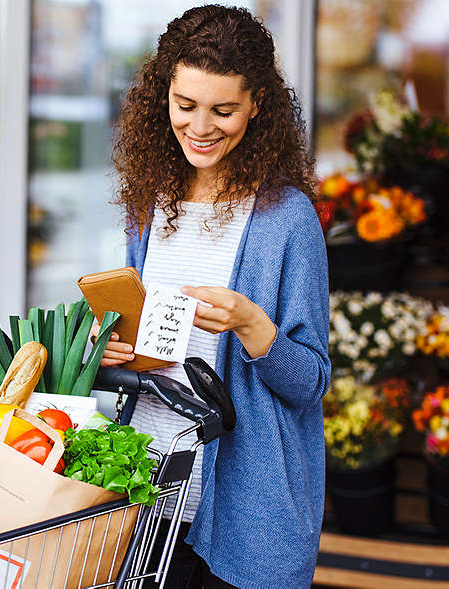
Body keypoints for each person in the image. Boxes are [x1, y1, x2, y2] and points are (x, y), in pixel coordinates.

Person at [98, 5, 330, 587]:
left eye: (223, 111)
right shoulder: (152, 203)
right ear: (164, 96)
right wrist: (110, 348)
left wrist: (253, 325)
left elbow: (310, 383)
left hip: (248, 509)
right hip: (150, 490)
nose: (200, 127)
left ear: (257, 105)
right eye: (186, 105)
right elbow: (140, 338)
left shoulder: (287, 219)